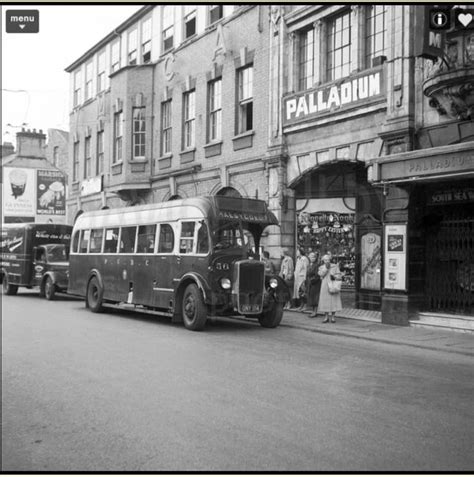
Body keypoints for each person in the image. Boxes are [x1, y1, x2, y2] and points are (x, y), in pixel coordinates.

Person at [317, 253, 342, 323]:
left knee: (334, 300)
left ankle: (333, 317)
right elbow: (320, 274)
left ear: (330, 260)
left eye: (328, 259)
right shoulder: (321, 267)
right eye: (325, 260)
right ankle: (326, 317)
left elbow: (339, 275)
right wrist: (326, 269)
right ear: (323, 261)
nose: (327, 261)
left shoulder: (335, 266)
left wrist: (335, 276)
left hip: (333, 284)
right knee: (325, 301)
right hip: (325, 285)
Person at [306, 252, 321, 317]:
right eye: (311, 257)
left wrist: (312, 280)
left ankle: (315, 311)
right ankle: (313, 311)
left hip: (315, 283)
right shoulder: (309, 265)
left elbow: (317, 275)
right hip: (310, 283)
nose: (312, 258)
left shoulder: (317, 265)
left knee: (315, 297)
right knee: (311, 297)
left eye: (314, 257)